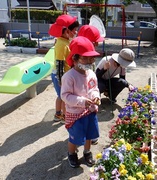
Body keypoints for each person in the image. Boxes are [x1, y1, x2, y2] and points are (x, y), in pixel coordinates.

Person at [61, 36, 101, 168]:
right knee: (75, 137)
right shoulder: (69, 76)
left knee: (89, 135)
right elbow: (65, 96)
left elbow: (94, 88)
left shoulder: (91, 73)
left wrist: (96, 97)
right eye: (85, 58)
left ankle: (87, 152)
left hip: (90, 111)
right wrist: (82, 101)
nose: (90, 61)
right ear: (75, 58)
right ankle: (71, 154)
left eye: (92, 57)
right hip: (75, 113)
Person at [48, 14, 79, 123]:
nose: (75, 32)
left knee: (61, 96)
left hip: (64, 74)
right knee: (64, 97)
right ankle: (65, 116)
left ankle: (58, 114)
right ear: (66, 31)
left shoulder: (65, 41)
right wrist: (61, 79)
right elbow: (59, 63)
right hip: (60, 75)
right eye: (74, 30)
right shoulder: (61, 44)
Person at [77, 24, 105, 145]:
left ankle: (91, 136)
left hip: (90, 92)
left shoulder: (91, 58)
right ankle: (79, 137)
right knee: (80, 118)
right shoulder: (77, 58)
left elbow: (93, 76)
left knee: (91, 115)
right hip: (79, 95)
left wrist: (95, 92)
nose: (97, 45)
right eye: (95, 42)